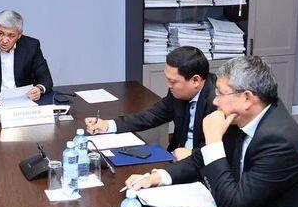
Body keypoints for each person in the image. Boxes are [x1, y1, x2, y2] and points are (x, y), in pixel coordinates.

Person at [125, 56, 298, 207]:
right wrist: (157, 177)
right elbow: (200, 158)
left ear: (247, 98)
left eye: (221, 94)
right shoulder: (240, 116)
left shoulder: (279, 141)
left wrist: (214, 140)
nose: (215, 101)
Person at [85, 46, 216, 160]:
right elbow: (152, 115)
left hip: (203, 167)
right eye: (168, 79)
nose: (168, 85)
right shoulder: (177, 92)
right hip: (176, 159)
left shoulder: (218, 101)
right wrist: (108, 125)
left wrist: (192, 154)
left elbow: (221, 149)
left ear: (195, 80)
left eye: (173, 81)